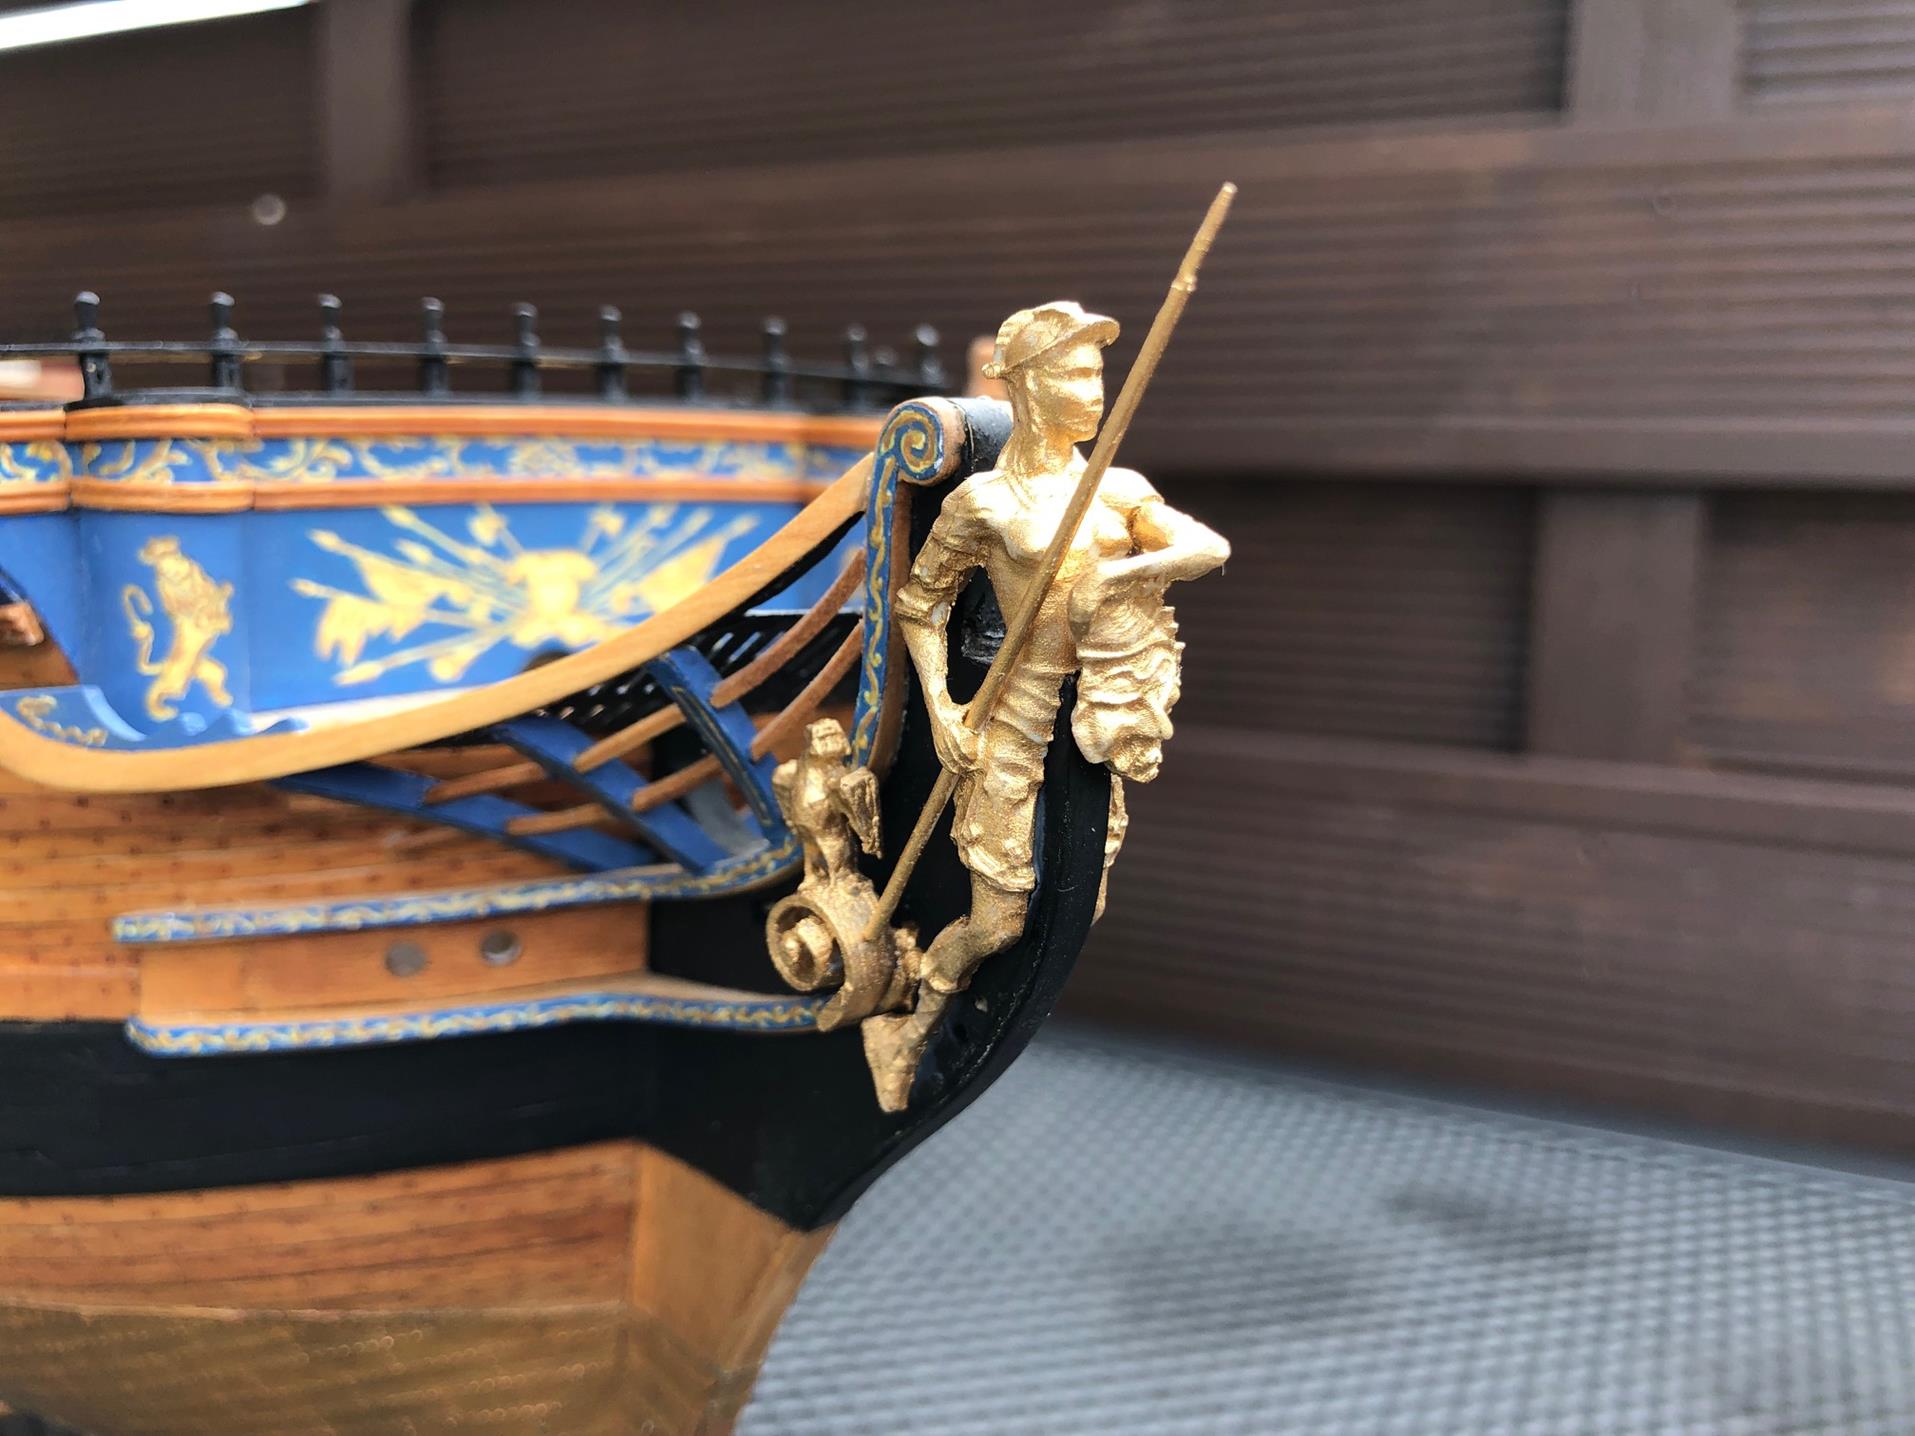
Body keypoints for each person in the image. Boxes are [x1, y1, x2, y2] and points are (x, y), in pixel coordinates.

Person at [893, 301, 1230, 1008]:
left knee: (1081, 903)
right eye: (1072, 375)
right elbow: (920, 604)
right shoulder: (984, 502)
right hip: (1016, 707)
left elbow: (1206, 547)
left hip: (1104, 703)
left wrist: (1114, 578)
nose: (1094, 392)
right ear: (1022, 384)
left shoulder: (1118, 489)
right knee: (997, 920)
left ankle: (984, 1010)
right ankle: (925, 1006)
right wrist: (942, 709)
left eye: (1097, 375)